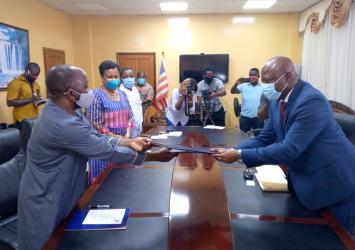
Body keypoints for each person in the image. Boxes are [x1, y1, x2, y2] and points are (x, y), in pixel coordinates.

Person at [17, 64, 176, 250]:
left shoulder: (71, 110)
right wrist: (154, 157)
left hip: (64, 191)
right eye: (84, 86)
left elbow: (95, 136)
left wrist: (128, 142)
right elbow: (104, 150)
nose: (88, 90)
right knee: (49, 244)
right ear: (71, 93)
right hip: (45, 198)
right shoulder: (62, 123)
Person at [212, 56, 355, 235]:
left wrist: (239, 155)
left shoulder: (310, 101)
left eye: (269, 81)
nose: (265, 87)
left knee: (335, 240)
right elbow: (264, 138)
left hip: (332, 181)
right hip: (304, 180)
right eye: (263, 82)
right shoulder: (277, 100)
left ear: (287, 77)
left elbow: (289, 149)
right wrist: (234, 150)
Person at [86, 60, 137, 183]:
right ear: (102, 78)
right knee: (103, 184)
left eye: (116, 76)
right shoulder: (95, 95)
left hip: (124, 145)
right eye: (110, 77)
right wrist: (117, 138)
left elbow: (130, 116)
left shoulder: (123, 94)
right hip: (104, 147)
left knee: (122, 181)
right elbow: (96, 124)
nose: (114, 79)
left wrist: (128, 135)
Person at [6, 62, 45, 129]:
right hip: (21, 120)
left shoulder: (36, 84)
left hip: (34, 118)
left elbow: (36, 99)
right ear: (27, 72)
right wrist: (31, 99)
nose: (36, 77)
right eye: (34, 75)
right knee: (24, 139)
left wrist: (40, 100)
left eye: (37, 75)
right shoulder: (15, 83)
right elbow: (9, 102)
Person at [231, 68, 264, 135]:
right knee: (243, 138)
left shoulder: (263, 87)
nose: (251, 76)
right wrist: (236, 84)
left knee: (259, 138)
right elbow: (233, 91)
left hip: (258, 117)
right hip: (244, 117)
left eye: (254, 75)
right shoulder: (243, 86)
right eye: (250, 75)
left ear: (258, 76)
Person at [120, 68, 143, 133]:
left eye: (131, 76)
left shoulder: (135, 89)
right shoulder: (120, 91)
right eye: (126, 77)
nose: (129, 78)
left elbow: (138, 106)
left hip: (138, 123)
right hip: (127, 127)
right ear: (121, 79)